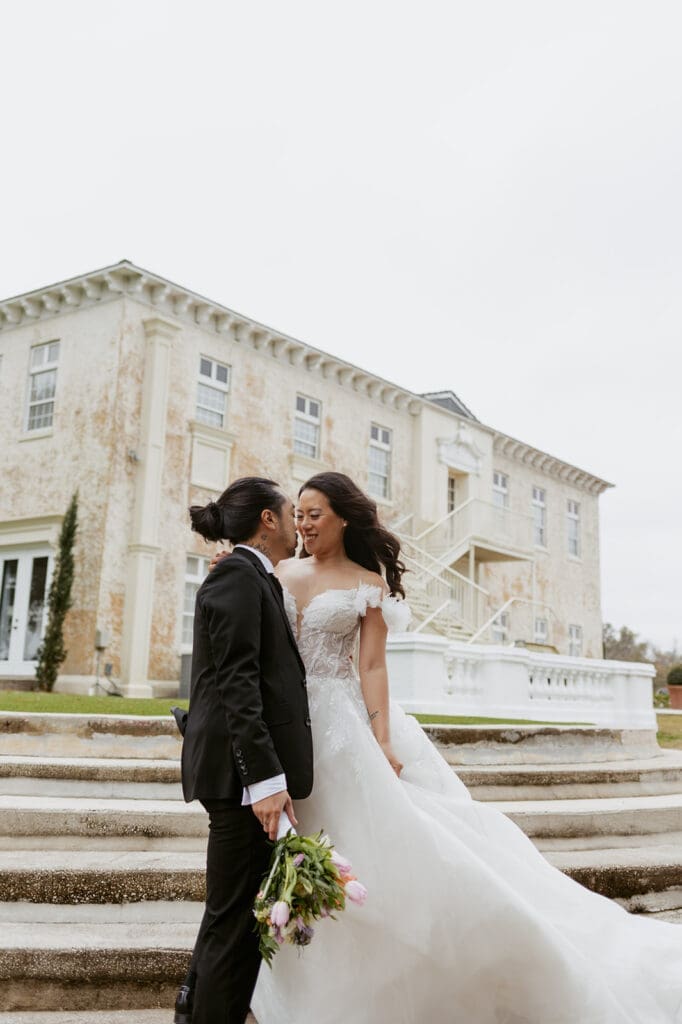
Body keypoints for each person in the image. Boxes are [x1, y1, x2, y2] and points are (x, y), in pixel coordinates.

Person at [244, 471, 682, 1024]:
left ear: (344, 519)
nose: (304, 525)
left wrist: (381, 739)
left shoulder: (366, 584)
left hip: (340, 724)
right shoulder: (276, 572)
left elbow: (372, 667)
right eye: (300, 514)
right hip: (285, 724)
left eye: (315, 515)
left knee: (364, 845)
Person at [176, 477, 313, 1024]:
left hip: (244, 776)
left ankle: (195, 1010)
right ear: (267, 519)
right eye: (290, 511)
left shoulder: (251, 574)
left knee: (234, 918)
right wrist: (265, 781)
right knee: (233, 925)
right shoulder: (237, 575)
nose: (297, 523)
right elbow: (238, 683)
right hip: (239, 780)